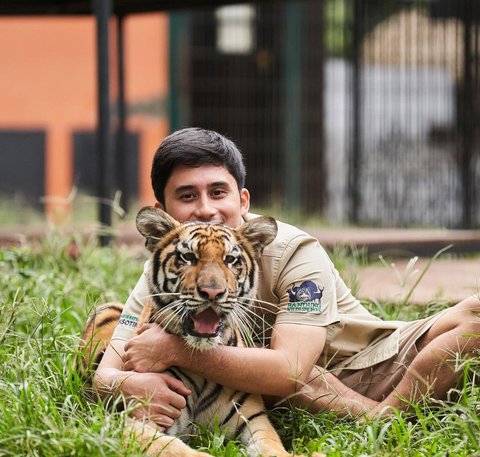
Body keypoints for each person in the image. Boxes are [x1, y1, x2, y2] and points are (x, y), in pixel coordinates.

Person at [94, 127, 480, 429]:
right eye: (188, 196)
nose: (207, 209)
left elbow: (290, 371)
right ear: (165, 210)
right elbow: (107, 372)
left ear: (243, 200)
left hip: (371, 366)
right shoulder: (167, 265)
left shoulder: (291, 248)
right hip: (283, 384)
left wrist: (177, 350)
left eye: (217, 192)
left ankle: (387, 418)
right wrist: (131, 384)